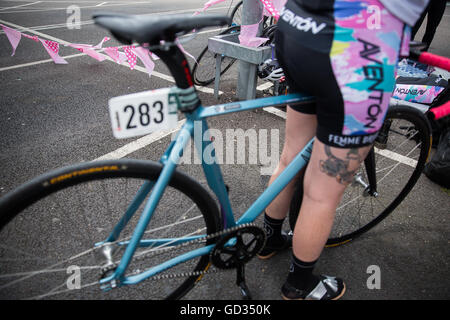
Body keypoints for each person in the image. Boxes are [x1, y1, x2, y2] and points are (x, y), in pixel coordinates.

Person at [257, 0, 429, 300]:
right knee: (321, 193)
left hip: (298, 27)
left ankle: (268, 240)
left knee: (290, 156)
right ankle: (300, 285)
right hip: (354, 48)